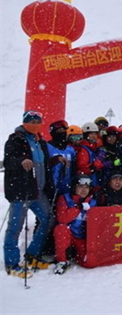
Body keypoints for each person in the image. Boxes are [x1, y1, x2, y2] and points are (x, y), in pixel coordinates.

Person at [3, 111, 54, 278]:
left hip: (38, 192)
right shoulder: (15, 139)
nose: (34, 124)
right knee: (15, 228)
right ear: (24, 123)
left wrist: (56, 159)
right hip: (21, 191)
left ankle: (32, 255)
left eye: (37, 121)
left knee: (48, 219)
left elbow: (43, 163)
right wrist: (20, 161)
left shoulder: (41, 142)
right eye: (31, 121)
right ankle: (12, 263)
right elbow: (9, 161)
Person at [53, 174, 96, 275]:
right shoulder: (65, 198)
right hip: (69, 233)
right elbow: (62, 219)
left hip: (82, 236)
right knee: (61, 229)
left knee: (89, 263)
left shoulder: (92, 202)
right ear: (74, 187)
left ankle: (75, 254)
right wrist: (78, 207)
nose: (84, 190)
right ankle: (62, 260)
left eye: (86, 187)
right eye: (80, 186)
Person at [47, 120, 76, 198]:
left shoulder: (70, 149)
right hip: (52, 185)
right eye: (59, 130)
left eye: (64, 130)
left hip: (67, 186)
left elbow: (74, 167)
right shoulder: (47, 147)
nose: (62, 133)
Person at [74, 122, 103, 188]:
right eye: (91, 134)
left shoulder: (93, 148)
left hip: (92, 183)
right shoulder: (84, 149)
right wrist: (98, 164)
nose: (94, 136)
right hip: (86, 185)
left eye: (95, 134)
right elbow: (82, 169)